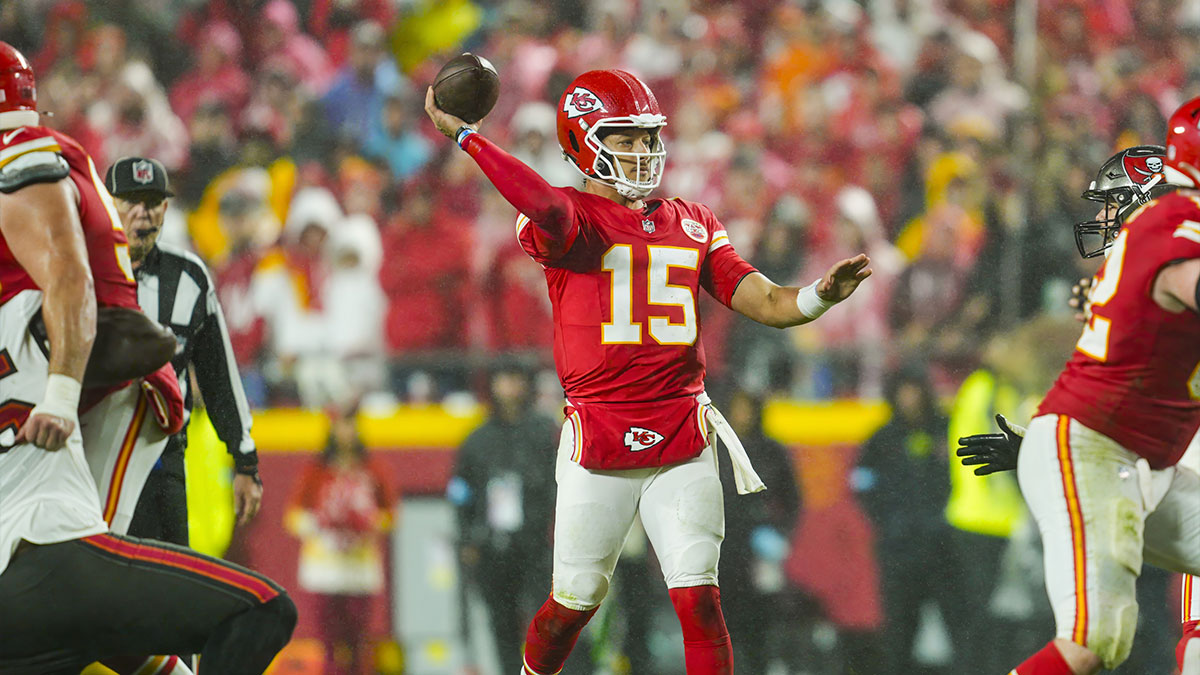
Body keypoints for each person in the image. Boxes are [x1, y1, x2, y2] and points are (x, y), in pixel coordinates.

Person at [425, 68, 872, 675]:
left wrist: (818, 295)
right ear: (585, 142)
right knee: (572, 604)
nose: (642, 150)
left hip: (681, 432)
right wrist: (468, 138)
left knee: (700, 603)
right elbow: (543, 202)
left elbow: (767, 302)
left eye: (647, 137)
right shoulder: (570, 217)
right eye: (626, 138)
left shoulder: (692, 220)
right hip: (601, 438)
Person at [0, 40, 296, 674]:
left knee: (89, 561)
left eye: (154, 202)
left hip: (115, 381)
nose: (142, 212)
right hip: (77, 390)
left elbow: (69, 280)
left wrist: (58, 390)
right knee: (94, 602)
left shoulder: (27, 160)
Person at [958, 126, 1200, 674]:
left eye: (1119, 207)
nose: (1108, 222)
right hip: (1111, 457)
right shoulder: (1172, 250)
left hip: (1138, 460)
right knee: (1098, 640)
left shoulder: (1136, 271)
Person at [103, 156, 263, 549]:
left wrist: (245, 461)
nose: (143, 213)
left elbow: (217, 372)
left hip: (163, 456)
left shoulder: (188, 277)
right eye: (132, 201)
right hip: (94, 457)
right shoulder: (80, 269)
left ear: (166, 209)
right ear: (106, 204)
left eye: (153, 201)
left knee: (167, 588)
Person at [854, 365, 967, 674]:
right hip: (899, 552)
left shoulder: (947, 429)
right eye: (903, 391)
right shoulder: (882, 439)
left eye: (915, 390)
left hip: (945, 549)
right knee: (899, 636)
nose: (910, 398)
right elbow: (861, 486)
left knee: (962, 632)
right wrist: (889, 521)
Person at [448, 363, 559, 675]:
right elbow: (460, 491)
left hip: (537, 546)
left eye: (516, 379)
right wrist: (468, 535)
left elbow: (560, 485)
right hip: (492, 547)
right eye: (503, 380)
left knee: (549, 622)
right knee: (502, 623)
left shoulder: (543, 432)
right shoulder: (477, 439)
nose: (509, 388)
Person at [287, 408, 395, 675]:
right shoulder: (316, 470)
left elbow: (391, 514)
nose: (346, 432)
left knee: (358, 639)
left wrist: (367, 522)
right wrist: (322, 522)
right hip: (325, 567)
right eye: (340, 425)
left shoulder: (372, 468)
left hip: (360, 565)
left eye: (350, 425)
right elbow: (293, 517)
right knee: (329, 641)